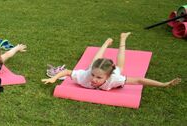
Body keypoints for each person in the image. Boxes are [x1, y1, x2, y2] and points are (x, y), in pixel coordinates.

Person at [42, 32, 181, 89]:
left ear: (107, 77)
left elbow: (139, 80)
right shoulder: (85, 76)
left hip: (114, 72)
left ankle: (123, 39)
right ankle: (106, 43)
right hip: (93, 68)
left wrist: (163, 84)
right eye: (94, 76)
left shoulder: (114, 79)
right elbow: (66, 71)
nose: (94, 79)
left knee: (120, 67)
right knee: (93, 63)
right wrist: (54, 78)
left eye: (98, 77)